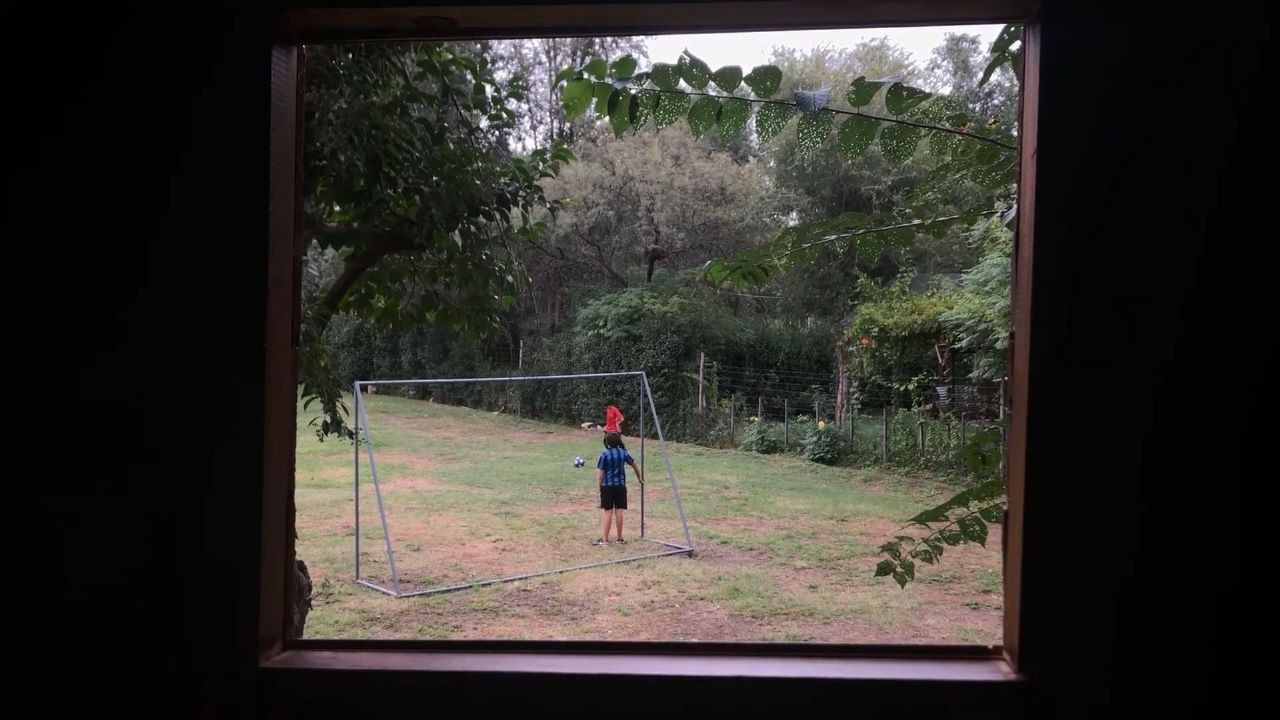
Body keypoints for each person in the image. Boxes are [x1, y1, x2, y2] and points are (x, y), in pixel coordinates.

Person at [593, 432, 642, 545]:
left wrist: (599, 488)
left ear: (608, 443)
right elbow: (634, 464)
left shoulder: (604, 455)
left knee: (608, 512)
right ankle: (619, 538)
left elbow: (601, 474)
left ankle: (605, 540)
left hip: (608, 486)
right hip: (620, 486)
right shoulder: (623, 453)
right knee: (619, 511)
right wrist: (639, 478)